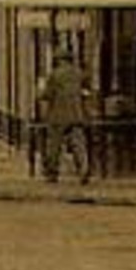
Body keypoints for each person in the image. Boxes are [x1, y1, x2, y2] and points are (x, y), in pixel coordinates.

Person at [37, 50, 90, 184]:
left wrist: (40, 91)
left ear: (59, 60)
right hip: (77, 114)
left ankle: (52, 173)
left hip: (58, 115)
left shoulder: (55, 75)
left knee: (55, 145)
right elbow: (86, 92)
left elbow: (47, 95)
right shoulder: (79, 74)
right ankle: (83, 169)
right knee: (78, 143)